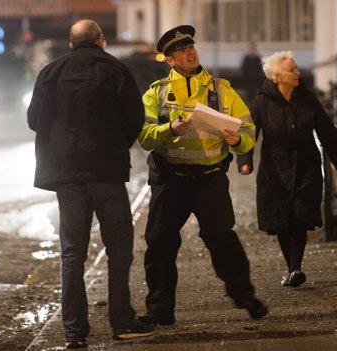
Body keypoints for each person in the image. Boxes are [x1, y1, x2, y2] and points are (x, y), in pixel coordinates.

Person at [27, 19, 154, 348]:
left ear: (70, 43)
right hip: (107, 173)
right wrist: (115, 146)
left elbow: (33, 119)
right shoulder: (116, 70)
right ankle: (122, 322)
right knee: (119, 250)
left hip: (68, 176)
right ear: (101, 40)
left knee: (72, 253)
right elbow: (134, 119)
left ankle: (74, 332)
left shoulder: (50, 72)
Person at [137, 25, 268, 326]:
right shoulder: (155, 93)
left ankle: (245, 297)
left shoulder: (221, 89)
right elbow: (144, 137)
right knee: (159, 242)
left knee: (222, 239)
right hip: (171, 179)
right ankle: (160, 309)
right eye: (182, 50)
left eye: (191, 47)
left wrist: (237, 141)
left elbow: (247, 131)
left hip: (209, 178)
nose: (190, 52)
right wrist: (168, 129)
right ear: (170, 60)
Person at [237, 51, 337, 288]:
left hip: (306, 168)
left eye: (296, 68)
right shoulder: (261, 102)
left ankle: (296, 267)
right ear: (277, 76)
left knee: (300, 218)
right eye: (292, 69)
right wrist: (245, 161)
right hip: (275, 171)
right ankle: (291, 268)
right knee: (282, 220)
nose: (297, 72)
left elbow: (327, 132)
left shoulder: (308, 99)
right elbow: (248, 133)